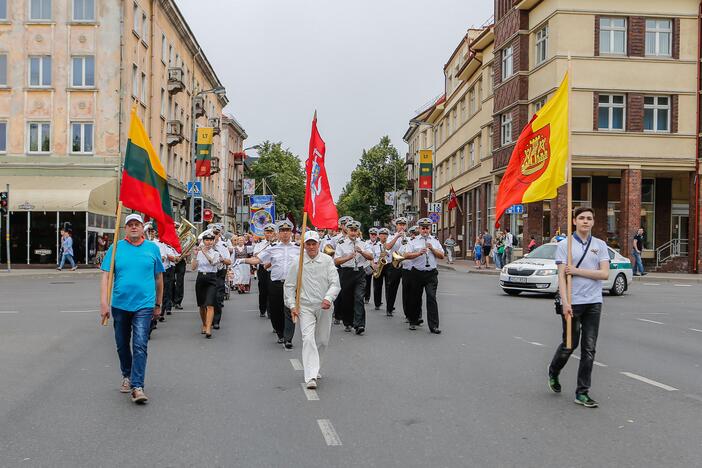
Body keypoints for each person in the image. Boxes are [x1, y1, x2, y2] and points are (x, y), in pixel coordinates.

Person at [547, 206, 610, 408]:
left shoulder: (599, 245)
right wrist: (565, 302)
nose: (585, 221)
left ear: (593, 222)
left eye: (589, 218)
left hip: (594, 302)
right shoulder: (565, 245)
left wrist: (576, 270)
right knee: (569, 345)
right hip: (572, 302)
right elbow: (561, 276)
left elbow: (604, 274)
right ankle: (554, 371)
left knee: (589, 349)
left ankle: (582, 392)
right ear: (574, 221)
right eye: (581, 218)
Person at [100, 214, 164, 404]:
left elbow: (159, 278)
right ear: (125, 228)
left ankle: (137, 386)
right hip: (120, 304)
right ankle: (127, 374)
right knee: (121, 344)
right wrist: (104, 302)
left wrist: (158, 304)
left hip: (144, 305)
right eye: (130, 225)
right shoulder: (116, 248)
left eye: (137, 224)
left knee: (140, 344)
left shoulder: (152, 248)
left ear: (143, 228)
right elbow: (105, 276)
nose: (134, 227)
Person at [284, 230, 341, 389]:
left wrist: (328, 298)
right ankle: (310, 376)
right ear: (303, 245)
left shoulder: (327, 261)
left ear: (319, 244)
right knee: (308, 339)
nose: (310, 247)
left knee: (322, 340)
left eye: (313, 244)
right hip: (305, 307)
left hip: (324, 306)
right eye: (307, 244)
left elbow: (335, 283)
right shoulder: (297, 262)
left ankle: (316, 367)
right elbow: (289, 286)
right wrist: (292, 305)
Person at [243, 219, 299, 349]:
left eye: (288, 231)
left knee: (290, 309)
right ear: (278, 233)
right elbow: (258, 259)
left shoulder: (298, 248)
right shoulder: (272, 248)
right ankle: (280, 332)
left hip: (291, 285)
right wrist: (243, 261)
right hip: (276, 284)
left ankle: (288, 337)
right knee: (276, 310)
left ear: (291, 232)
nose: (285, 234)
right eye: (282, 231)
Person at [402, 218, 445, 334]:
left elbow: (442, 256)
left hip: (431, 273)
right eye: (423, 228)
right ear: (419, 229)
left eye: (427, 228)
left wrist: (432, 249)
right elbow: (405, 255)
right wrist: (418, 253)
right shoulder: (413, 241)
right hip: (417, 273)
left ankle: (434, 326)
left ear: (430, 228)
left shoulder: (435, 241)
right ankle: (413, 320)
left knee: (431, 297)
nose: (425, 230)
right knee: (415, 298)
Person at [334, 220, 374, 335]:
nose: (353, 233)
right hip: (346, 272)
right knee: (347, 299)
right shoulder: (341, 243)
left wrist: (361, 252)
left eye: (355, 230)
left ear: (358, 231)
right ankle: (348, 322)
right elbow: (336, 261)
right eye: (351, 230)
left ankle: (360, 324)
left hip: (359, 273)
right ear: (347, 230)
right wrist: (347, 257)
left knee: (359, 297)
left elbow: (371, 257)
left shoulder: (363, 243)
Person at [192, 230, 221, 338]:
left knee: (210, 304)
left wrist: (204, 252)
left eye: (210, 240)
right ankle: (204, 324)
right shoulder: (199, 252)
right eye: (206, 240)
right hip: (201, 278)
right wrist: (195, 256)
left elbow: (213, 262)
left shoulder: (216, 253)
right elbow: (193, 267)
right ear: (203, 241)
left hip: (212, 278)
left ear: (213, 241)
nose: (208, 242)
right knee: (201, 305)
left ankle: (208, 327)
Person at [384, 217, 409, 317]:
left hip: (406, 265)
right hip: (394, 265)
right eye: (400, 224)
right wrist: (397, 237)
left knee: (407, 289)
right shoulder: (391, 236)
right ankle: (389, 308)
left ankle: (408, 313)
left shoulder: (410, 236)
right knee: (392, 288)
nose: (402, 226)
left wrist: (405, 237)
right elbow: (388, 247)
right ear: (396, 226)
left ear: (406, 226)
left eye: (403, 224)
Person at [211, 224, 232, 330]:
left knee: (218, 297)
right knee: (208, 298)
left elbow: (229, 261)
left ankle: (216, 320)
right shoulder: (204, 244)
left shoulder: (223, 246)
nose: (214, 235)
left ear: (219, 234)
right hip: (209, 273)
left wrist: (221, 259)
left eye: (216, 233)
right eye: (213, 233)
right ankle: (207, 320)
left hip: (220, 272)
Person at [253, 224, 276, 317]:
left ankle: (270, 311)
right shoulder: (259, 244)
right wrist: (267, 247)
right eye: (267, 232)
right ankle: (262, 309)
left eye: (271, 232)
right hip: (262, 268)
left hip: (272, 267)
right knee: (263, 290)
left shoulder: (276, 244)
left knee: (272, 290)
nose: (269, 234)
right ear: (264, 233)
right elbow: (256, 255)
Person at [371, 228, 391, 312]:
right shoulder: (375, 245)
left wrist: (388, 253)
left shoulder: (390, 245)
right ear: (379, 236)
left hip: (388, 265)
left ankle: (389, 306)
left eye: (386, 235)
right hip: (378, 265)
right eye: (382, 234)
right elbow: (371, 257)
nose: (384, 236)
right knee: (377, 286)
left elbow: (393, 255)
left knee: (389, 286)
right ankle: (377, 303)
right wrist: (373, 264)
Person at [364, 228, 379, 304]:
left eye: (375, 234)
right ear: (369, 235)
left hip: (378, 265)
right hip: (368, 264)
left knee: (377, 283)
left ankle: (377, 300)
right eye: (372, 234)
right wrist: (371, 263)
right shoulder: (365, 243)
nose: (373, 236)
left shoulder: (380, 244)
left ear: (377, 235)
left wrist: (377, 264)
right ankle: (367, 297)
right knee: (367, 281)